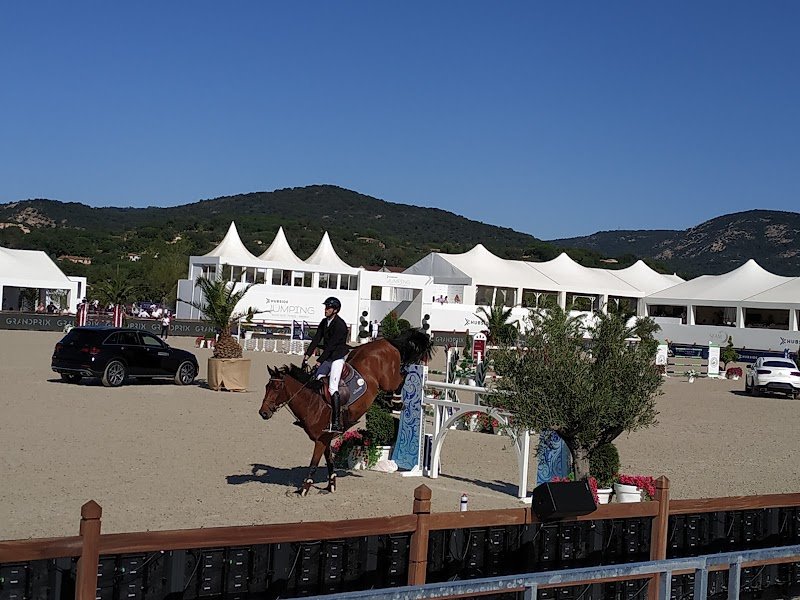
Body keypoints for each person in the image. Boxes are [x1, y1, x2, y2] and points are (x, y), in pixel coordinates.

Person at [303, 296, 349, 431]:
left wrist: (319, 361)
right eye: (326, 307)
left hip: (337, 357)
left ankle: (336, 422)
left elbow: (331, 346)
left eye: (328, 308)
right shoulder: (324, 322)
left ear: (335, 310)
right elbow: (317, 338)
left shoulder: (340, 325)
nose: (326, 309)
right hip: (328, 357)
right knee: (316, 380)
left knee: (332, 388)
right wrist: (307, 354)